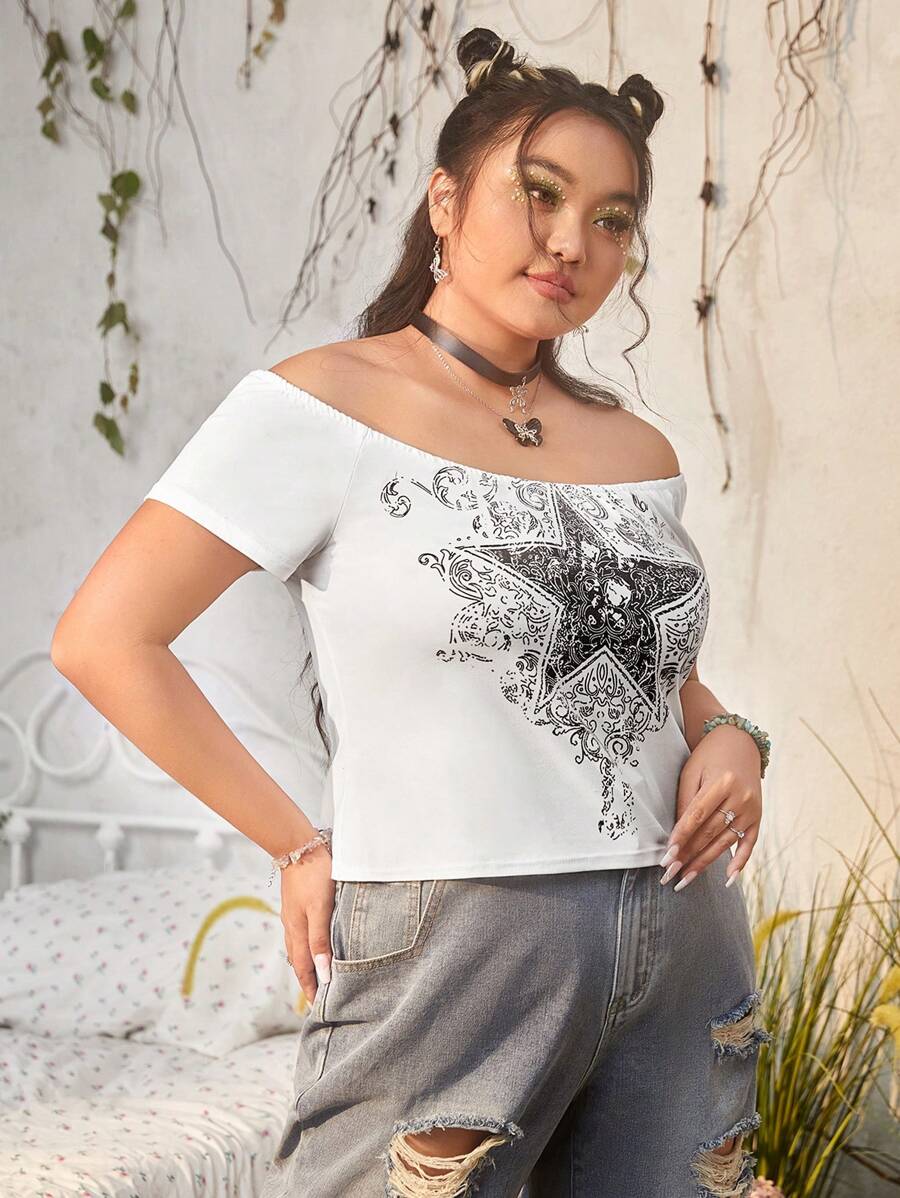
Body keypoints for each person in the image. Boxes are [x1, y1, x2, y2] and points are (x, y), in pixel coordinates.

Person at [51, 26, 773, 1198]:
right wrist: (296, 840)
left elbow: (654, 674)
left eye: (611, 218)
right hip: (458, 939)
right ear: (446, 202)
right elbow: (103, 639)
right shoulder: (320, 407)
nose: (571, 241)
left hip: (684, 929)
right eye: (539, 194)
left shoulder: (638, 450)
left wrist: (731, 734)